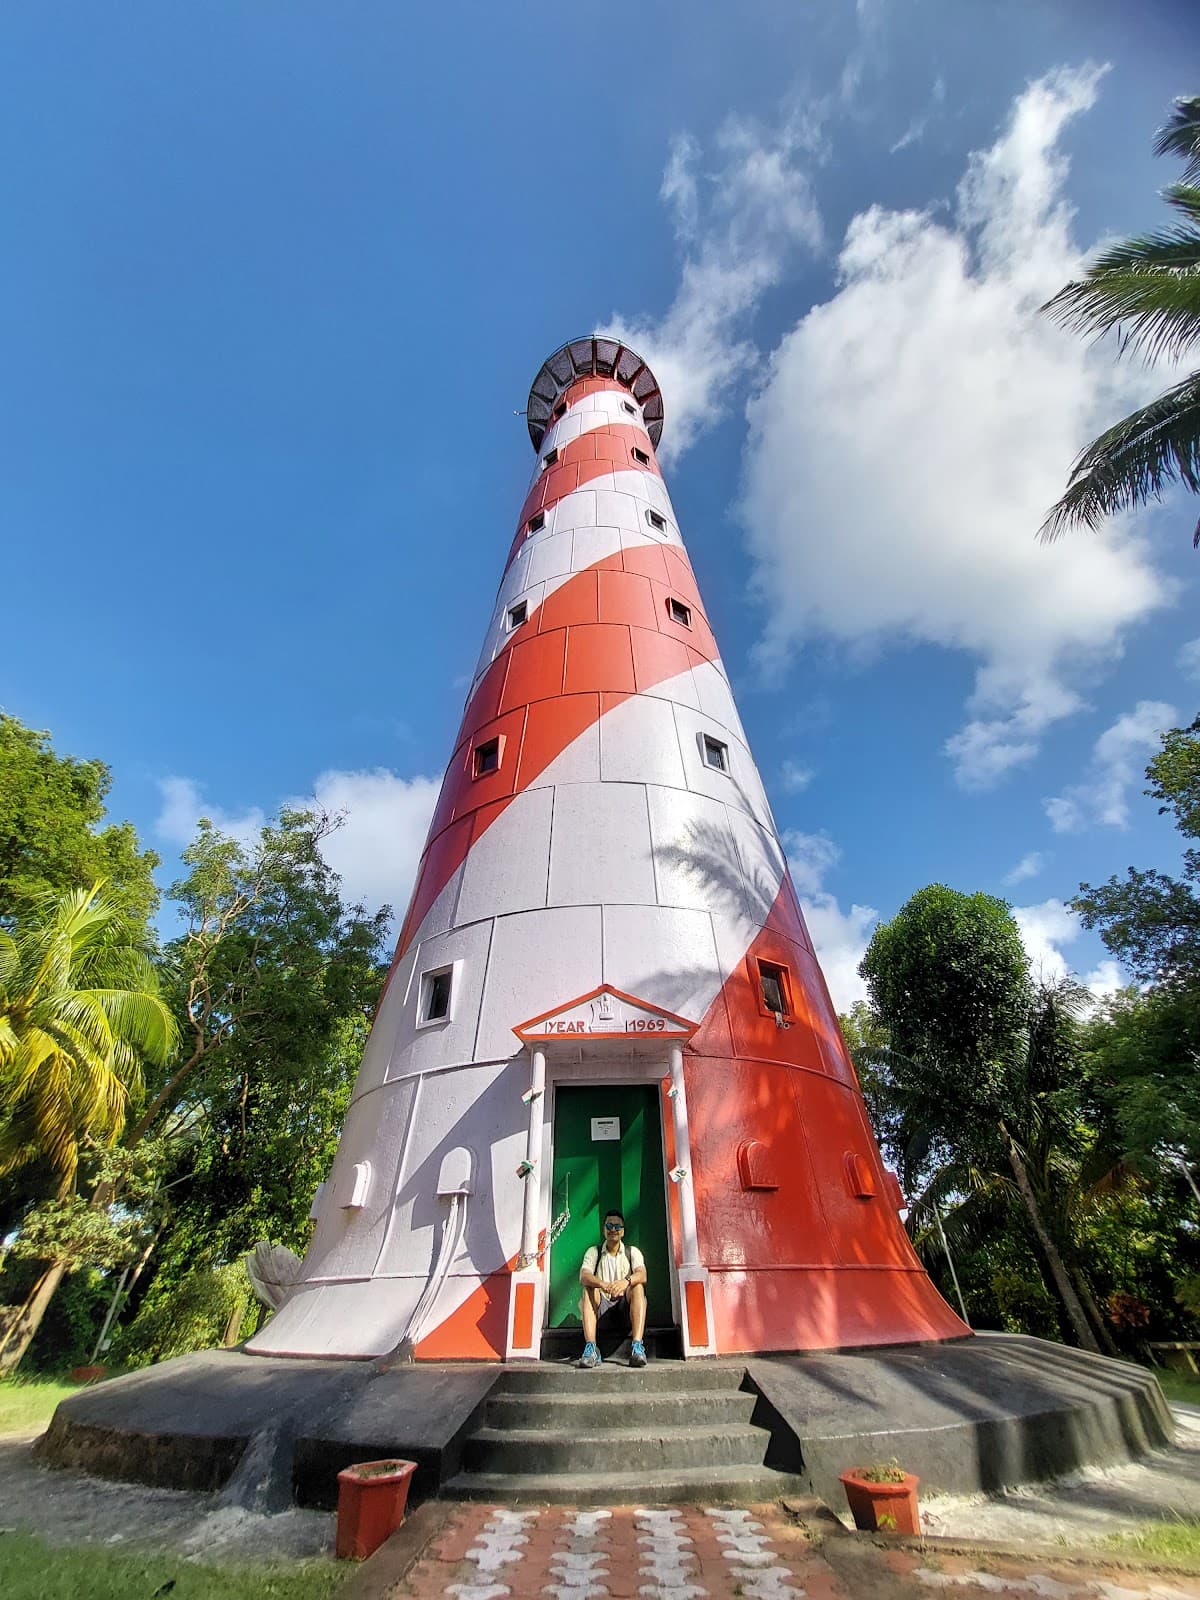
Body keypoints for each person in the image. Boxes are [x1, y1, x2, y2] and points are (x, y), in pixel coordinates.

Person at [577, 1209, 647, 1368]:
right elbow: (584, 1275)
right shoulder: (593, 1252)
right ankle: (591, 1349)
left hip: (625, 1310)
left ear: (623, 1231)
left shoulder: (632, 1252)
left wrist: (625, 1282)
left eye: (617, 1226)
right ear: (603, 1229)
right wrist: (602, 1284)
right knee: (588, 1288)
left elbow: (642, 1275)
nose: (613, 1229)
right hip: (602, 1310)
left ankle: (637, 1347)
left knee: (638, 1287)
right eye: (609, 1225)